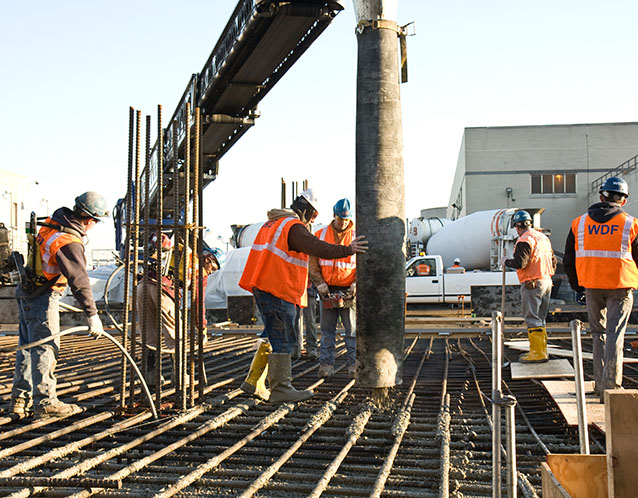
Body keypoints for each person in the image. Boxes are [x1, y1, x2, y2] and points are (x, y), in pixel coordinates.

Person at [239, 189, 368, 403]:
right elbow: (316, 248)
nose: (314, 219)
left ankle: (254, 381)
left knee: (272, 336)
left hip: (264, 286)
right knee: (283, 341)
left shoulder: (272, 224)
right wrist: (347, 250)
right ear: (306, 208)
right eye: (313, 214)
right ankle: (281, 388)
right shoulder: (292, 227)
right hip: (278, 289)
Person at [11, 192, 109, 418]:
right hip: (43, 297)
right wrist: (92, 315)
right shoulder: (69, 241)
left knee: (27, 347)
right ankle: (45, 402)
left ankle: (19, 400)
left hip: (28, 291)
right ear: (90, 219)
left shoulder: (52, 224)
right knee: (45, 348)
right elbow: (80, 280)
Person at [563, 176, 638, 402]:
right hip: (621, 286)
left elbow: (569, 259)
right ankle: (611, 388)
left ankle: (598, 385)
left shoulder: (580, 223)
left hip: (592, 287)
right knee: (615, 335)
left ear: (601, 196)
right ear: (623, 200)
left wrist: (578, 288)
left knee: (598, 335)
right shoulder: (630, 223)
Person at [138, 235, 221, 384]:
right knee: (176, 335)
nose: (211, 272)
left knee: (149, 334)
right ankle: (180, 375)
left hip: (143, 286)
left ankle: (151, 376)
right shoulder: (197, 270)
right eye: (213, 268)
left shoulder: (182, 255)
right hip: (163, 290)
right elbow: (198, 303)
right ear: (208, 259)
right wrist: (201, 328)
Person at [309, 198, 357, 378]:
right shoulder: (320, 235)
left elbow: (363, 264)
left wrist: (356, 283)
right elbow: (312, 262)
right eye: (340, 219)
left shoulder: (355, 237)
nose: (343, 223)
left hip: (348, 291)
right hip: (327, 290)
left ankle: (354, 367)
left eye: (346, 219)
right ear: (334, 215)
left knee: (351, 331)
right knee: (327, 331)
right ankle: (326, 366)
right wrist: (319, 282)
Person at [503, 210, 556, 363]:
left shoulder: (524, 240)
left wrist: (506, 261)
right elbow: (553, 261)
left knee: (532, 318)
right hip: (546, 281)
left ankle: (537, 353)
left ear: (517, 226)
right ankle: (542, 351)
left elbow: (520, 263)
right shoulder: (542, 238)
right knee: (541, 318)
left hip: (532, 283)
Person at [303, 282, 320, 360]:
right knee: (292, 321)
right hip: (295, 291)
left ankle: (312, 348)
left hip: (309, 291)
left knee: (310, 321)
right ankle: (294, 348)